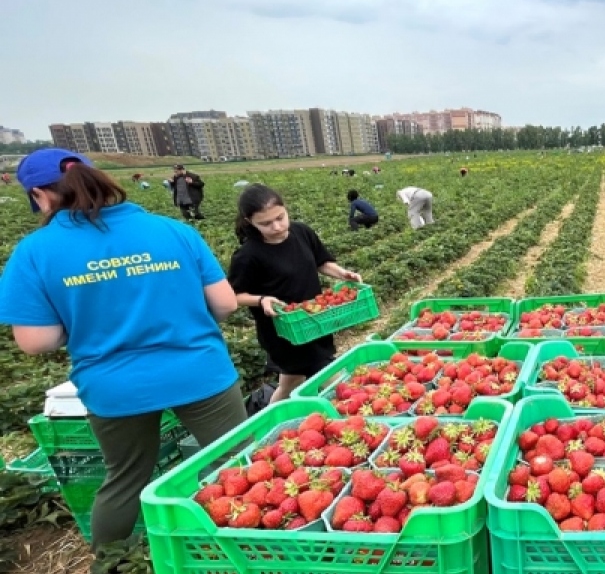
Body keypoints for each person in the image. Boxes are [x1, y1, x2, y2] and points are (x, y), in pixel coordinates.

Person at [0, 149, 246, 545]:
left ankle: (111, 567)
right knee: (237, 463)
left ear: (40, 196)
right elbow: (225, 304)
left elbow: (36, 340)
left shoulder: (35, 252)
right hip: (199, 370)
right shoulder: (172, 231)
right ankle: (252, 552)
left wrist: (87, 324)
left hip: (114, 385)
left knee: (126, 478)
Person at [228, 184, 362, 404]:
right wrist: (261, 299)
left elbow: (321, 262)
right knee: (334, 379)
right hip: (284, 332)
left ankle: (271, 419)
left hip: (314, 321)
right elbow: (235, 295)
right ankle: (355, 409)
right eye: (266, 223)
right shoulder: (248, 255)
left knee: (290, 382)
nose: (277, 226)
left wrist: (342, 273)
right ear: (249, 221)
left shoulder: (301, 232)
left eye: (280, 217)